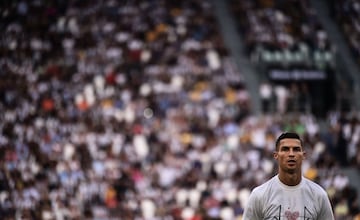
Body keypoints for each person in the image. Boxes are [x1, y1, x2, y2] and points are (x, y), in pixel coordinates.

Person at [242, 132, 334, 220]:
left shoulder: (319, 195)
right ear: (276, 155)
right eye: (285, 149)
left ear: (303, 155)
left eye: (296, 149)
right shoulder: (259, 195)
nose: (291, 154)